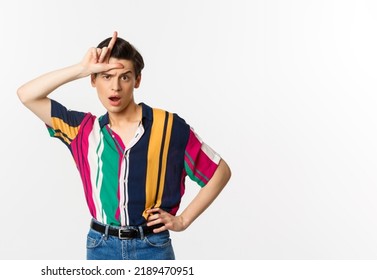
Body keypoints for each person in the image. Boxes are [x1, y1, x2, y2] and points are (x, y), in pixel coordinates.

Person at [17, 31, 231, 260]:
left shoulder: (169, 127)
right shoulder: (82, 131)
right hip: (101, 246)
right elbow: (27, 95)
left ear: (137, 80)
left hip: (153, 247)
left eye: (125, 77)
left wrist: (183, 220)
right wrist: (82, 68)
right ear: (93, 80)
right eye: (106, 77)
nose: (115, 87)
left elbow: (220, 171)